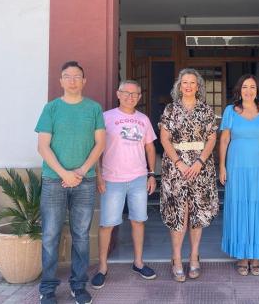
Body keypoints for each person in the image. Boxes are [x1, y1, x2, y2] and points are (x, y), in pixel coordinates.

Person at [35, 61, 106, 304]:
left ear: (84, 81)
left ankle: (78, 286)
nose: (72, 80)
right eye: (67, 76)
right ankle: (47, 289)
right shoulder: (51, 108)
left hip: (85, 181)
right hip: (54, 180)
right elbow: (42, 146)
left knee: (81, 236)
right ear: (61, 81)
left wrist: (82, 171)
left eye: (77, 76)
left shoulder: (94, 108)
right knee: (50, 235)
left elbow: (100, 143)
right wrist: (64, 173)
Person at [90, 80, 157, 290]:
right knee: (107, 224)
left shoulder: (143, 119)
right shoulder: (106, 117)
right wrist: (99, 176)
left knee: (138, 221)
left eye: (135, 94)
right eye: (126, 93)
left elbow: (150, 148)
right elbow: (96, 148)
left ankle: (138, 262)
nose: (130, 97)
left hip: (138, 178)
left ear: (140, 97)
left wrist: (151, 174)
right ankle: (102, 267)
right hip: (112, 179)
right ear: (118, 94)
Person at [159, 68, 219, 282]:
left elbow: (211, 138)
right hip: (175, 168)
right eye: (184, 82)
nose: (188, 86)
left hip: (201, 167)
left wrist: (199, 162)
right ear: (179, 86)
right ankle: (176, 258)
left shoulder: (206, 110)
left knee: (197, 213)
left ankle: (194, 256)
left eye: (192, 82)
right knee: (178, 213)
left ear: (198, 86)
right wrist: (179, 163)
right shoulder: (170, 109)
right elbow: (164, 138)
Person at [219, 74, 259, 276]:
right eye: (245, 87)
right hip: (236, 167)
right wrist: (222, 166)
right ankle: (242, 255)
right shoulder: (230, 111)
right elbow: (224, 140)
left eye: (252, 87)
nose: (248, 90)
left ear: (257, 90)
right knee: (239, 207)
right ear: (239, 90)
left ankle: (256, 256)